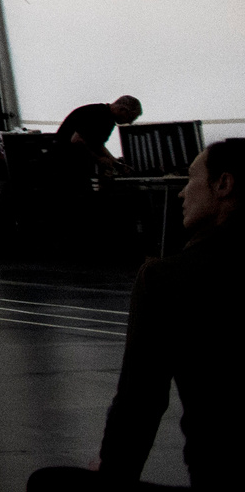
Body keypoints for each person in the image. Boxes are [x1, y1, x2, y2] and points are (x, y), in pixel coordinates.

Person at [25, 138, 242, 491]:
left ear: (224, 184)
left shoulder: (167, 278)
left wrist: (112, 473)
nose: (182, 194)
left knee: (48, 484)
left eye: (190, 179)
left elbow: (140, 401)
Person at [60, 95, 147, 180]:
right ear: (123, 110)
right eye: (130, 118)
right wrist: (99, 159)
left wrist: (116, 164)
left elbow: (98, 145)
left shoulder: (106, 117)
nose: (130, 122)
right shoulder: (99, 114)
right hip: (65, 162)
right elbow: (76, 140)